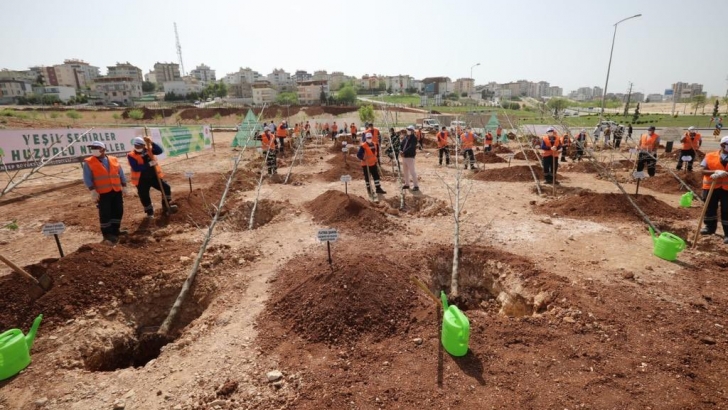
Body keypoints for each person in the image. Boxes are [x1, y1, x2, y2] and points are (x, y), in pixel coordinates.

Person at [83, 141, 127, 245]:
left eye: (96, 148)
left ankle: (115, 230)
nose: (94, 150)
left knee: (118, 210)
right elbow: (87, 178)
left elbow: (120, 172)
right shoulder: (89, 162)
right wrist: (92, 190)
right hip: (102, 192)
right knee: (105, 213)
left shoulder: (113, 159)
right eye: (92, 148)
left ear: (103, 149)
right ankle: (107, 234)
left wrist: (124, 185)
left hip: (116, 190)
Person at [127, 136, 177, 219]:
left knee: (166, 188)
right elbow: (135, 168)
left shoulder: (149, 150)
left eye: (139, 146)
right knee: (144, 196)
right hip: (141, 179)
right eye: (136, 146)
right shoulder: (131, 155)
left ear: (143, 145)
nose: (137, 147)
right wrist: (148, 164)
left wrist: (151, 142)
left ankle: (166, 206)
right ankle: (149, 213)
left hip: (154, 177)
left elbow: (159, 151)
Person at [699, 136, 728, 244]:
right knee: (709, 207)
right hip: (711, 187)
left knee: (727, 210)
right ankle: (709, 227)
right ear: (722, 145)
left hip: (727, 189)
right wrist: (715, 171)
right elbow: (703, 170)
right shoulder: (710, 155)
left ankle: (727, 233)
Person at [400, 125, 420, 192]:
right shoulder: (406, 137)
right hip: (404, 157)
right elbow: (401, 145)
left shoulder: (414, 138)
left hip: (410, 157)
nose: (408, 131)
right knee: (405, 171)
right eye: (408, 129)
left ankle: (416, 186)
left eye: (409, 130)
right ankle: (407, 184)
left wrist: (404, 152)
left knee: (412, 172)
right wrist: (400, 151)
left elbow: (411, 147)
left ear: (413, 131)